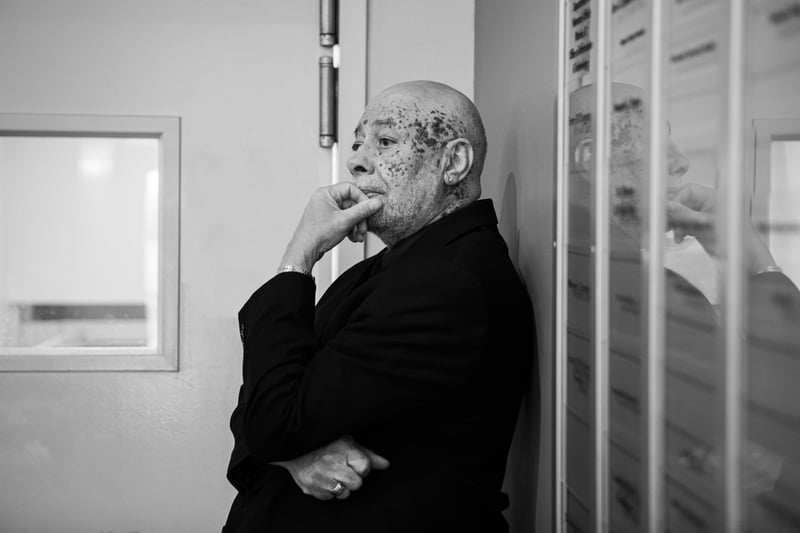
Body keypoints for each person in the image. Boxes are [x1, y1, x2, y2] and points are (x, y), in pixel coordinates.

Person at [222, 80, 535, 532]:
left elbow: (272, 418)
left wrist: (300, 255)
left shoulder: (449, 283)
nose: (356, 160)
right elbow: (259, 403)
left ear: (453, 163)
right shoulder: (386, 270)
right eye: (357, 143)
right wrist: (293, 455)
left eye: (385, 141)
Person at [568, 83, 800, 527]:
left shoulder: (576, 263)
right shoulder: (653, 296)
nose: (680, 162)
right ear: (592, 159)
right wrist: (756, 260)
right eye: (659, 142)